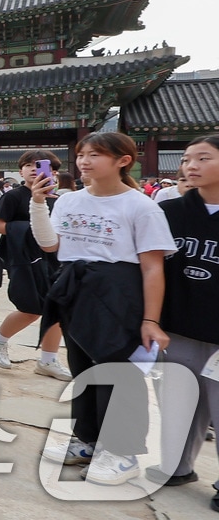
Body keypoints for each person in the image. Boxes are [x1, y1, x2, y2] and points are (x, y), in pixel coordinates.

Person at [32, 132, 172, 485]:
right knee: (83, 366)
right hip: (77, 288)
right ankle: (89, 439)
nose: (84, 161)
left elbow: (153, 266)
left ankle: (122, 452)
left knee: (118, 370)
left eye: (95, 155)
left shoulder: (141, 206)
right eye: (81, 154)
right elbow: (51, 245)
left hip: (119, 292)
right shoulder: (68, 201)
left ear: (123, 161)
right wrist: (37, 203)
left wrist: (151, 319)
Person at [149, 136, 219, 509]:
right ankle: (177, 466)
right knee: (179, 401)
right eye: (188, 158)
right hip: (177, 326)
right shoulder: (170, 210)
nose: (190, 165)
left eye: (203, 158)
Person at [0, 150, 70, 380]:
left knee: (58, 308)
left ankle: (48, 359)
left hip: (54, 258)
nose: (35, 169)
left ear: (53, 172)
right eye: (29, 165)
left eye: (42, 166)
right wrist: (30, 229)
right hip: (22, 258)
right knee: (30, 308)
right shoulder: (14, 196)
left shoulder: (61, 200)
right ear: (20, 170)